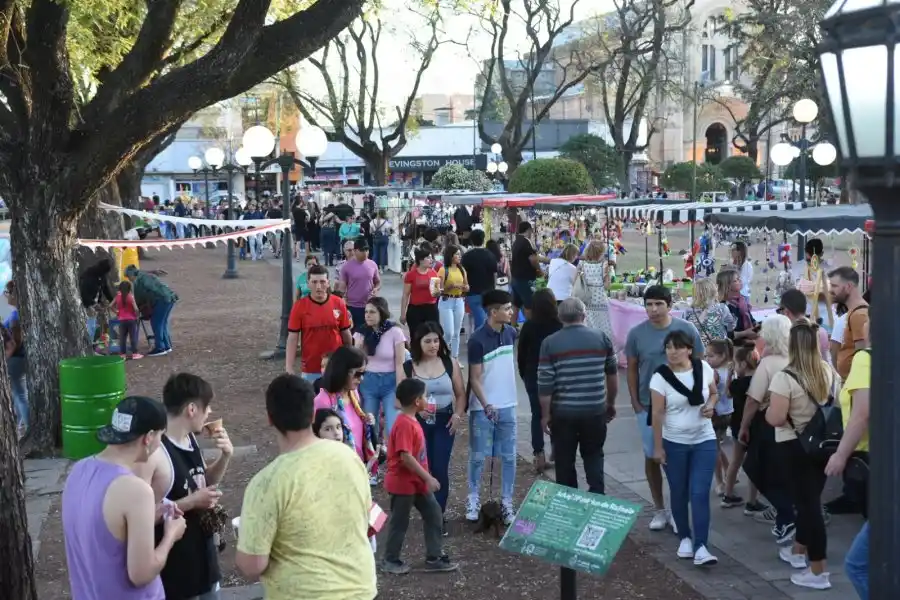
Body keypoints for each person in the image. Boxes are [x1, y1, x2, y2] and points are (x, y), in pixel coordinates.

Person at [236, 374, 376, 600]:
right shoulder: (349, 457)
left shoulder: (267, 483)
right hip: (361, 589)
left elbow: (252, 565)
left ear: (270, 419)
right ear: (312, 415)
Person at [62, 396, 187, 600]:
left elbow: (100, 531)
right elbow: (141, 574)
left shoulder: (78, 471)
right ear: (148, 437)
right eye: (160, 437)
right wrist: (170, 536)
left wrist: (146, 519)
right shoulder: (136, 491)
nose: (159, 445)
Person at [135, 374, 232, 600]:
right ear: (191, 409)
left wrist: (226, 456)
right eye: (206, 407)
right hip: (176, 569)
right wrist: (192, 502)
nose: (209, 413)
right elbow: (142, 517)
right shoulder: (156, 452)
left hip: (204, 558)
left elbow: (202, 480)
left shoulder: (190, 439)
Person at [766, 320, 839, 590]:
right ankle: (798, 551)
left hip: (793, 446)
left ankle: (819, 570)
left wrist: (768, 411)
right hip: (822, 446)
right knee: (810, 500)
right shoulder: (827, 371)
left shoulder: (785, 377)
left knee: (808, 506)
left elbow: (775, 418)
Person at [625, 285, 704, 532]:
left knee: (679, 458)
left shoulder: (686, 329)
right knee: (652, 456)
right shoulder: (637, 334)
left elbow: (700, 363)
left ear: (669, 305)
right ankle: (659, 508)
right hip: (648, 406)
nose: (653, 309)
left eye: (658, 304)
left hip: (681, 405)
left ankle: (677, 509)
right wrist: (635, 402)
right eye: (648, 304)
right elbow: (631, 367)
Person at [650, 330, 719, 566]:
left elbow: (714, 393)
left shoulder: (704, 369)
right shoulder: (660, 377)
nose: (673, 351)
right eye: (669, 347)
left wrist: (711, 405)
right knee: (678, 492)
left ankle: (702, 546)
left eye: (678, 347)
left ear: (689, 349)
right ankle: (685, 538)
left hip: (704, 440)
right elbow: (657, 414)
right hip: (674, 442)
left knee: (699, 493)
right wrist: (658, 449)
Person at [538, 298, 617, 493]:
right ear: (584, 315)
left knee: (564, 460)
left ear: (560, 317)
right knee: (594, 455)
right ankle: (597, 497)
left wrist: (545, 415)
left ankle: (569, 501)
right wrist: (610, 403)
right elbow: (612, 376)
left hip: (563, 413)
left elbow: (545, 384)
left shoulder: (549, 343)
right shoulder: (601, 338)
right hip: (595, 410)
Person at [381, 378, 459, 575]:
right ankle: (390, 559)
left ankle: (434, 557)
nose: (427, 399)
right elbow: (405, 457)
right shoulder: (405, 424)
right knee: (400, 521)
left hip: (416, 482)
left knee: (433, 513)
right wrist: (428, 478)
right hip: (404, 483)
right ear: (417, 401)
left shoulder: (412, 420)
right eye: (425, 396)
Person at [735, 315, 793, 535]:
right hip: (793, 421)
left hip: (768, 421)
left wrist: (743, 426)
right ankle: (786, 510)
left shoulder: (767, 364)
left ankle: (785, 512)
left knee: (756, 466)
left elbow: (753, 400)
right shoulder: (795, 359)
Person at [403, 322, 467, 519]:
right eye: (427, 341)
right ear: (418, 343)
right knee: (423, 467)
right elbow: (400, 398)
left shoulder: (450, 363)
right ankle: (426, 509)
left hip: (445, 420)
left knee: (440, 466)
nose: (433, 345)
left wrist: (457, 415)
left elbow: (461, 394)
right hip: (419, 422)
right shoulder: (409, 366)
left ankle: (438, 514)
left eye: (436, 340)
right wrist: (417, 409)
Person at [465, 289, 518, 524]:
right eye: (506, 309)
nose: (511, 312)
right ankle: (474, 497)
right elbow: (474, 378)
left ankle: (506, 501)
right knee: (478, 456)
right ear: (493, 312)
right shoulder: (477, 340)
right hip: (484, 408)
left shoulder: (511, 334)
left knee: (509, 456)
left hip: (509, 405)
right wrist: (486, 405)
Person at [827, 325, 870, 598]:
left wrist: (841, 454)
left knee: (857, 565)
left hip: (871, 461)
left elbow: (861, 413)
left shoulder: (866, 358)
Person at [517, 289, 562, 472]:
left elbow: (521, 354)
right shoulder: (559, 325)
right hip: (555, 375)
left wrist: (524, 373)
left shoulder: (529, 326)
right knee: (556, 413)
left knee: (537, 414)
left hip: (533, 374)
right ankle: (557, 451)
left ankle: (538, 454)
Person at [285, 264, 352, 381]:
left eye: (322, 282)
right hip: (311, 368)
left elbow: (346, 334)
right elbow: (292, 338)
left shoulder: (339, 303)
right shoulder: (299, 307)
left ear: (328, 282)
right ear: (308, 283)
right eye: (314, 282)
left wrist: (349, 358)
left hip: (335, 366)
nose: (319, 286)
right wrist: (289, 366)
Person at [354, 297, 407, 440]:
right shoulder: (361, 332)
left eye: (372, 312)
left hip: (390, 382)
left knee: (392, 427)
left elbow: (400, 363)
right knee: (370, 427)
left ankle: (393, 459)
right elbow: (356, 364)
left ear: (381, 313)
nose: (367, 315)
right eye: (366, 312)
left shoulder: (395, 331)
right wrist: (358, 348)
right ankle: (374, 459)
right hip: (368, 382)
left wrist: (399, 391)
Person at [313, 346, 375, 463]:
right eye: (357, 374)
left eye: (363, 373)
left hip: (358, 462)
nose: (361, 378)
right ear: (342, 371)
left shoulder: (353, 394)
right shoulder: (323, 401)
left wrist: (366, 420)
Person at [720, 345, 762, 509]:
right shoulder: (758, 382)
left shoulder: (737, 383)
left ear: (743, 365)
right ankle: (752, 501)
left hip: (737, 426)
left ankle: (728, 495)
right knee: (754, 463)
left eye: (736, 364)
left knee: (735, 461)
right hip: (754, 425)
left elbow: (727, 393)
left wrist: (730, 375)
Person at [125, 265, 178, 357]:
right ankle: (166, 345)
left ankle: (160, 348)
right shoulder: (144, 275)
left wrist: (136, 309)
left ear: (132, 275)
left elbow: (139, 298)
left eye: (129, 277)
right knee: (162, 322)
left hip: (162, 300)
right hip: (170, 297)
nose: (129, 279)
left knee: (156, 323)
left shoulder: (138, 281)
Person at [828, 266, 868, 380]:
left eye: (835, 286)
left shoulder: (859, 315)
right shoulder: (854, 312)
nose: (831, 290)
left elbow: (861, 355)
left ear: (849, 287)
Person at [779, 289, 832, 363]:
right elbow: (825, 360)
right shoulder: (821, 331)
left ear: (786, 312)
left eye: (780, 310)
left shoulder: (788, 336)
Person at [3, 280, 28, 439]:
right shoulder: (19, 313)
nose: (6, 296)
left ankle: (27, 424)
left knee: (19, 394)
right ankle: (20, 424)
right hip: (19, 358)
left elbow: (15, 342)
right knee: (18, 393)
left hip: (15, 359)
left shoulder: (15, 316)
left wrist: (6, 357)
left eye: (7, 293)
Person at [339, 239, 381, 332]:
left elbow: (378, 282)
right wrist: (342, 304)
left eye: (367, 250)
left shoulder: (373, 264)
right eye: (362, 250)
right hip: (353, 307)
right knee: (354, 334)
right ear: (355, 251)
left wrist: (376, 289)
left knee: (369, 333)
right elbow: (341, 288)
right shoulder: (346, 267)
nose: (365, 253)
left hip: (369, 306)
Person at [460, 229, 498, 330]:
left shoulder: (466, 257)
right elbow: (494, 274)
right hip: (489, 292)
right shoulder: (490, 255)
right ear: (483, 239)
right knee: (488, 319)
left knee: (479, 320)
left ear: (471, 240)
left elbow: (463, 275)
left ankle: (480, 340)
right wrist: (494, 288)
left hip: (472, 293)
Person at [509, 222, 546, 319]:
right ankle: (529, 328)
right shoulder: (526, 242)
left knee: (515, 305)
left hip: (515, 278)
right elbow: (533, 259)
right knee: (529, 305)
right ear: (529, 230)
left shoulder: (516, 242)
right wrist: (540, 270)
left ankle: (512, 327)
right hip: (526, 279)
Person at [437, 244, 468, 358]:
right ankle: (442, 353)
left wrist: (465, 288)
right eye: (457, 254)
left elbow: (466, 285)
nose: (459, 257)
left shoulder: (461, 269)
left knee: (456, 332)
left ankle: (454, 357)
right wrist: (449, 287)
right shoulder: (443, 270)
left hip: (459, 300)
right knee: (449, 332)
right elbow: (439, 290)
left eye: (460, 254)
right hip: (446, 300)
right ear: (450, 256)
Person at [579, 240, 613, 342]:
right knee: (603, 325)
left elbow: (574, 280)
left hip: (585, 298)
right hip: (600, 299)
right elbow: (607, 286)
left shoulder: (582, 264)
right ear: (600, 253)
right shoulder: (604, 265)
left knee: (587, 323)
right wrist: (608, 275)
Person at [400, 248, 440, 337]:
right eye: (428, 258)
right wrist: (403, 313)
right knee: (416, 336)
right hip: (415, 309)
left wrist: (438, 291)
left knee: (433, 334)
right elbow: (406, 295)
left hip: (431, 308)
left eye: (431, 257)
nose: (431, 260)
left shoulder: (433, 273)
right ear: (421, 260)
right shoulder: (411, 275)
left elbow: (436, 294)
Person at [684, 278, 735, 346]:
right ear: (713, 291)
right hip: (717, 350)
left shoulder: (688, 311)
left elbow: (685, 331)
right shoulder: (722, 308)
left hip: (697, 349)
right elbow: (730, 327)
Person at [716, 269, 757, 344]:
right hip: (733, 348)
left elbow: (752, 320)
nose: (740, 281)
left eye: (739, 278)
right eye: (736, 280)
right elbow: (726, 334)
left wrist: (758, 327)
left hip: (748, 344)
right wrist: (746, 333)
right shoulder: (723, 306)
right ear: (727, 285)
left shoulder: (741, 301)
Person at [80, 256, 115, 343]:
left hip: (95, 303)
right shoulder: (88, 276)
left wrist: (113, 300)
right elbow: (84, 294)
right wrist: (93, 304)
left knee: (98, 325)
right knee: (90, 326)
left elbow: (105, 289)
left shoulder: (102, 276)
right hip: (87, 304)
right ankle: (90, 345)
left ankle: (96, 343)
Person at [113, 280, 143, 360]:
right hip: (131, 320)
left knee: (122, 337)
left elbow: (110, 306)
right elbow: (136, 309)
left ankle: (122, 354)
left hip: (121, 320)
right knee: (133, 337)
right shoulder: (130, 296)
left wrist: (117, 312)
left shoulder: (118, 296)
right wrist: (137, 316)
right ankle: (134, 353)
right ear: (129, 288)